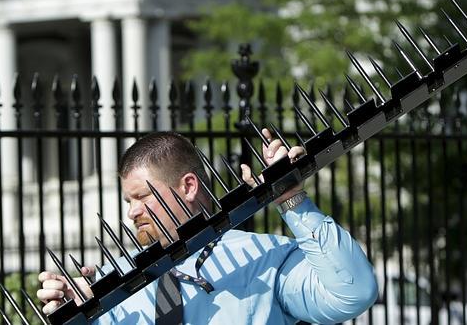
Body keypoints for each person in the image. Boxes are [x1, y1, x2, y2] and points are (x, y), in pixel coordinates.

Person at [37, 130, 377, 324]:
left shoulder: (265, 257)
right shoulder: (115, 283)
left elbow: (351, 295)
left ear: (188, 186)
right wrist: (78, 313)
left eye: (141, 197)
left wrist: (291, 198)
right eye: (128, 201)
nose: (132, 213)